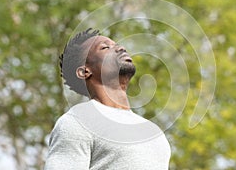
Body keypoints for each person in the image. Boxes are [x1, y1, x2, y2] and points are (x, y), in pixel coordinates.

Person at [44, 28, 171, 170]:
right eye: (105, 47)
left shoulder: (152, 131)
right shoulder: (77, 122)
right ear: (85, 71)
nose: (120, 48)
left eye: (117, 45)